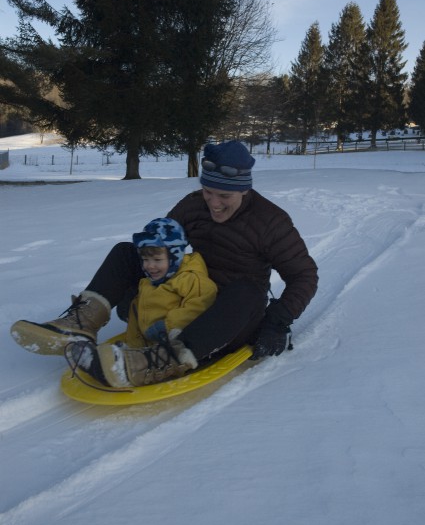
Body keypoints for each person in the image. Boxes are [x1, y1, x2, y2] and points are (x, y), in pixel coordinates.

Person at [11, 140, 319, 386]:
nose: (213, 202)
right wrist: (146, 282)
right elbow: (161, 244)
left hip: (228, 315)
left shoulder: (270, 222)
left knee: (248, 292)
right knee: (127, 251)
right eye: (207, 191)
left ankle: (162, 362)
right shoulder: (194, 205)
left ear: (244, 190)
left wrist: (277, 322)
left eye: (223, 195)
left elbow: (304, 275)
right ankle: (80, 324)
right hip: (180, 297)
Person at [66, 217, 217, 387]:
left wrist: (167, 326)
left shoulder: (190, 278)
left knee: (175, 348)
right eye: (145, 260)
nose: (150, 266)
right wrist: (132, 345)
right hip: (151, 345)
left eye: (157, 260)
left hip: (178, 345)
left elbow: (200, 306)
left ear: (175, 257)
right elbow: (138, 316)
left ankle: (125, 369)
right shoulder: (149, 283)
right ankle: (108, 363)